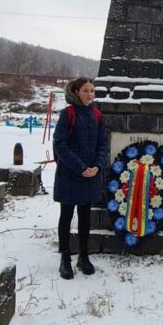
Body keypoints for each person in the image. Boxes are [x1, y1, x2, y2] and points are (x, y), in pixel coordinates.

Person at [53, 77, 108, 280]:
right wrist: (80, 167)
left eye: (92, 91)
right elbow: (60, 144)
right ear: (76, 92)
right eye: (86, 90)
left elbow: (103, 144)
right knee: (66, 215)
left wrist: (97, 166)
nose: (90, 94)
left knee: (85, 216)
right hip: (70, 174)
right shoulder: (67, 114)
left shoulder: (97, 115)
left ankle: (84, 255)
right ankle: (65, 257)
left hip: (90, 175)